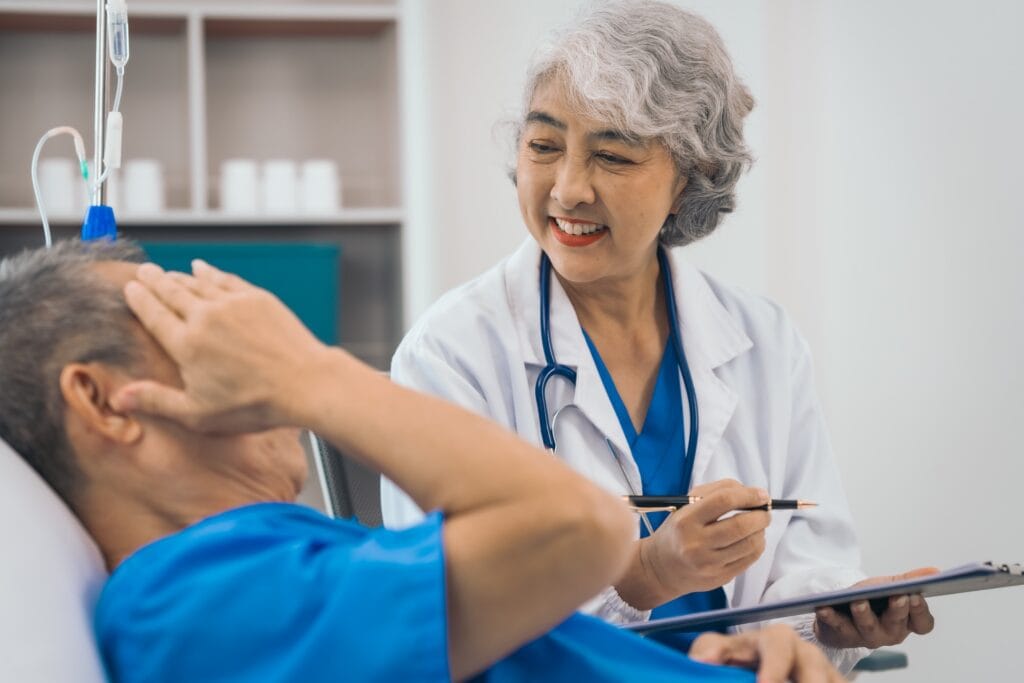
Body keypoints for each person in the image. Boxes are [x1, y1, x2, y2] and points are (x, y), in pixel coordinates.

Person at [0, 239, 847, 682]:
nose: (245, 329)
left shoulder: (266, 557)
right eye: (183, 318)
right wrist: (307, 372)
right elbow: (581, 526)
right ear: (103, 401)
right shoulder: (188, 598)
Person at [380, 0, 933, 671]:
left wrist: (833, 620)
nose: (568, 189)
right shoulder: (452, 355)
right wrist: (640, 575)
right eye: (543, 146)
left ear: (689, 178)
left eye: (612, 155)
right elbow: (447, 625)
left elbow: (808, 569)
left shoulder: (763, 341)